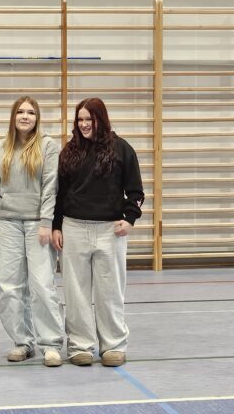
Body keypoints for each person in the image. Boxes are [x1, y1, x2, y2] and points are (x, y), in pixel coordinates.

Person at [53, 98, 144, 367]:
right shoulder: (69, 151)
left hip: (109, 231)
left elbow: (136, 191)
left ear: (100, 120)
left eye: (89, 119)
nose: (84, 124)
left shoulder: (122, 149)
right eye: (80, 119)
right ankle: (80, 345)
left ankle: (113, 345)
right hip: (73, 228)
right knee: (76, 292)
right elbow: (60, 194)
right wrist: (57, 225)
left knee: (110, 291)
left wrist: (130, 219)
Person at [0, 96, 65, 367]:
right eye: (20, 112)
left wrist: (46, 222)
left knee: (42, 285)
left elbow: (51, 185)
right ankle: (22, 341)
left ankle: (50, 344)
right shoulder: (0, 148)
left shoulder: (48, 146)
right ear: (13, 117)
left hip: (37, 224)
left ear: (37, 118)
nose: (25, 116)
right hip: (8, 224)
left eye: (31, 112)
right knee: (8, 286)